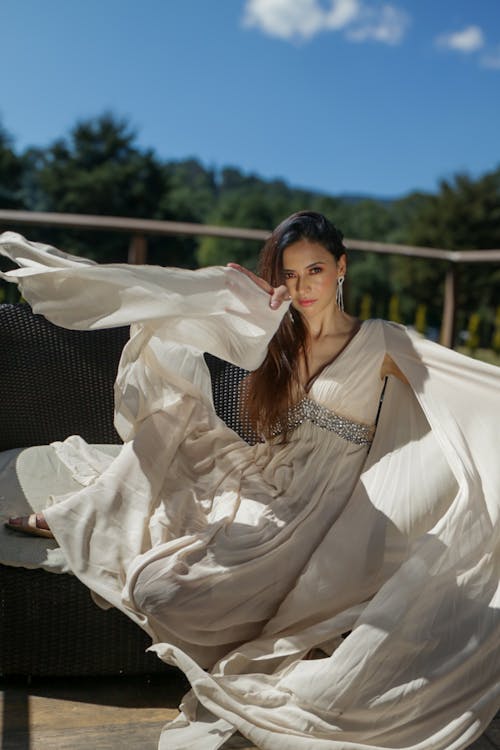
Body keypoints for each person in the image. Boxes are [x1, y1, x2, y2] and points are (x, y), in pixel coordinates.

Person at [0, 212, 498, 750]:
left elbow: (472, 390)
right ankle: (82, 514)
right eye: (290, 274)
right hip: (261, 477)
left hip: (315, 510)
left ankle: (96, 518)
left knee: (159, 589)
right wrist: (229, 297)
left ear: (341, 268)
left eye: (316, 270)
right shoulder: (278, 335)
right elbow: (185, 330)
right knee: (168, 428)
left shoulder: (382, 342)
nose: (304, 286)